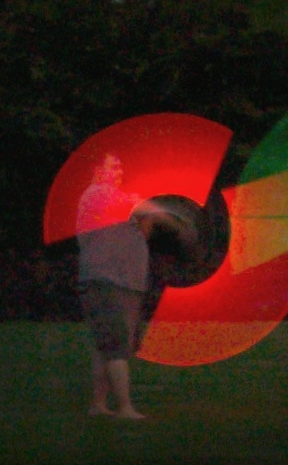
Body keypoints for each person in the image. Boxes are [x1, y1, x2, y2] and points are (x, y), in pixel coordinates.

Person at [74, 152, 200, 419]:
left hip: (124, 284)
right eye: (113, 167)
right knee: (115, 346)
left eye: (121, 167)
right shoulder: (98, 194)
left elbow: (142, 229)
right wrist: (177, 222)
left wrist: (153, 220)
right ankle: (125, 408)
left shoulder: (117, 204)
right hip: (106, 281)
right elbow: (143, 206)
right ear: (97, 170)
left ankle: (99, 405)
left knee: (107, 346)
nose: (119, 171)